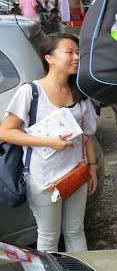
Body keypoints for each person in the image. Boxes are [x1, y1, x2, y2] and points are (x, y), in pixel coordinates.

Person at [0, 34, 99, 252]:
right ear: (49, 58)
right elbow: (5, 131)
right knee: (48, 236)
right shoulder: (31, 92)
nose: (76, 57)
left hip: (76, 174)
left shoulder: (80, 92)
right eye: (69, 52)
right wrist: (47, 142)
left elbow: (87, 135)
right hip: (43, 179)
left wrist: (93, 168)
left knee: (75, 231)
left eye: (77, 52)